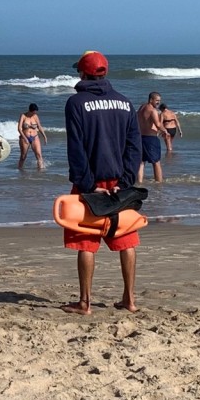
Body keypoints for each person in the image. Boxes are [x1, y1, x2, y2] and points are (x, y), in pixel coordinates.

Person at [62, 50, 142, 315]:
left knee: (86, 242)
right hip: (120, 183)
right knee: (126, 239)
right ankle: (129, 299)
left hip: (90, 183)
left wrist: (87, 185)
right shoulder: (125, 102)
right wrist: (126, 181)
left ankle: (85, 303)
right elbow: (134, 147)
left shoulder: (76, 103)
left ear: (82, 73)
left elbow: (76, 149)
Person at [137, 92, 166, 182]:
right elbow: (158, 124)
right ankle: (159, 183)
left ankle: (139, 182)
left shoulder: (141, 108)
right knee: (156, 162)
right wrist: (165, 131)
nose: (158, 103)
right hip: (151, 138)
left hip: (140, 137)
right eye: (157, 100)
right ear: (151, 100)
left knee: (141, 162)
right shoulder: (152, 110)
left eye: (159, 101)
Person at [17, 104, 47, 169]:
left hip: (35, 137)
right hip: (24, 137)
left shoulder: (35, 116)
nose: (34, 113)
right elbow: (19, 128)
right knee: (23, 156)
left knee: (39, 155)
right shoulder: (23, 116)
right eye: (33, 112)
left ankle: (40, 171)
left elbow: (39, 127)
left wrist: (44, 136)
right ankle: (20, 170)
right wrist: (25, 138)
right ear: (30, 110)